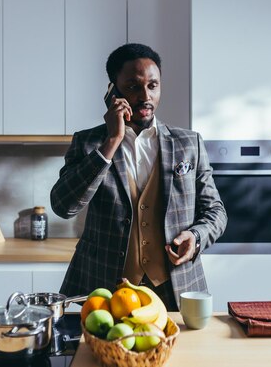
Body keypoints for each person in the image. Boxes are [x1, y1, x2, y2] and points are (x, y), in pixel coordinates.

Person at [50, 43, 227, 310]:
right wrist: (112, 140)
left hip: (177, 288)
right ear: (113, 90)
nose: (145, 96)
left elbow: (215, 211)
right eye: (133, 86)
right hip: (106, 289)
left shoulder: (189, 143)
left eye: (153, 86)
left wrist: (197, 236)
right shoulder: (89, 143)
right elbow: (64, 206)